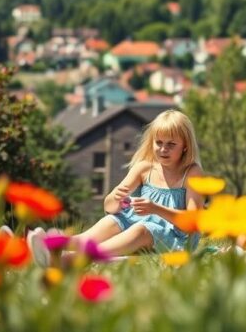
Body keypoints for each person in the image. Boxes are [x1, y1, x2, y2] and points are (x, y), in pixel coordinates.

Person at [30, 109, 204, 265]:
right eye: (159, 142)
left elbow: (193, 222)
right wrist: (116, 199)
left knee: (141, 230)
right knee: (112, 221)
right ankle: (51, 245)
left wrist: (155, 208)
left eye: (171, 144)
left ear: (185, 146)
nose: (163, 149)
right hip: (139, 223)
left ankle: (71, 260)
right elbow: (109, 207)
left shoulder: (191, 172)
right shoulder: (144, 168)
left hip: (176, 238)